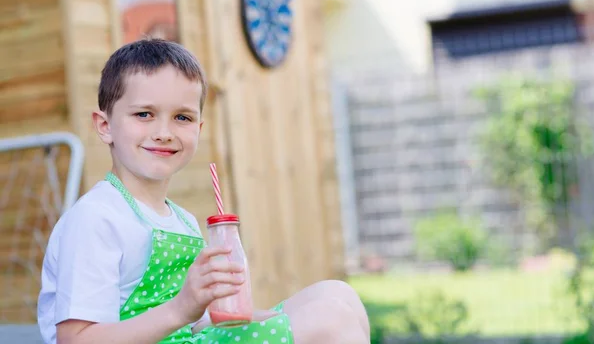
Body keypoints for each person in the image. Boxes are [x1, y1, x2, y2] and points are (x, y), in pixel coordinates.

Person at [37, 38, 370, 344]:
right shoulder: (96, 219)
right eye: (144, 114)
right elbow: (76, 340)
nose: (164, 132)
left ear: (199, 128)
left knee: (337, 295)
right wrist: (181, 309)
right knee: (331, 320)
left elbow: (190, 325)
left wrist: (251, 317)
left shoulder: (181, 220)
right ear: (105, 125)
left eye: (181, 117)